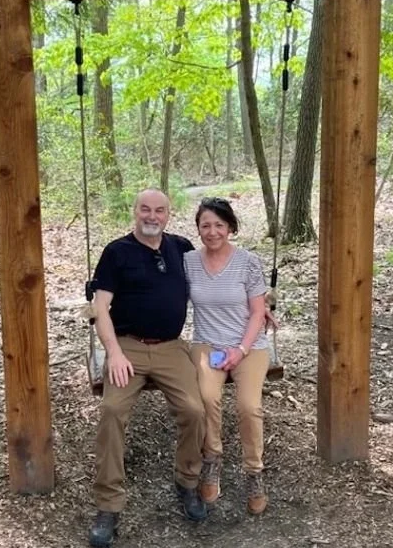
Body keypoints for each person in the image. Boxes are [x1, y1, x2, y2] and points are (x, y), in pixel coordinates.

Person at [88, 189, 207, 548]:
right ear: (134, 212)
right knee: (111, 411)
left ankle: (187, 482)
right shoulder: (117, 252)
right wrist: (114, 353)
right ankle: (108, 505)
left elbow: (218, 281)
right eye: (145, 209)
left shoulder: (183, 248)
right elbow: (100, 307)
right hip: (127, 347)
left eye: (159, 210)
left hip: (171, 347)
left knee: (194, 409)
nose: (151, 216)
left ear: (169, 214)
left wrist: (259, 302)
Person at [183, 197, 271, 515]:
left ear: (230, 228)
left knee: (249, 406)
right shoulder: (189, 261)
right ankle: (212, 460)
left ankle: (254, 473)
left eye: (219, 225)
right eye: (205, 225)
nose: (212, 231)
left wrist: (241, 350)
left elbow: (258, 310)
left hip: (249, 345)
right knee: (207, 398)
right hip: (207, 343)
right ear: (198, 229)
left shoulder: (248, 261)